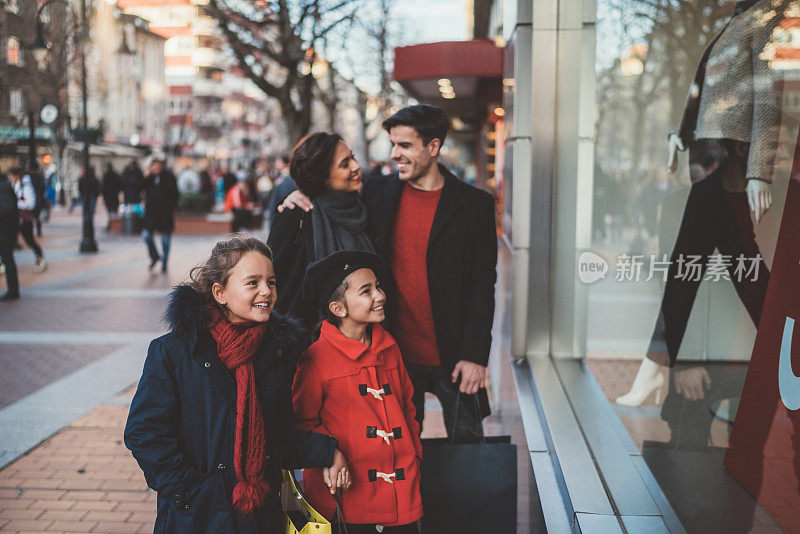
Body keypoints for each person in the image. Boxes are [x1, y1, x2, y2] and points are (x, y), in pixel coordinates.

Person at [280, 105, 498, 442]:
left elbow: (483, 285)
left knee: (470, 454)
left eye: (405, 146)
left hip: (454, 356)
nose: (395, 154)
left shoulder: (475, 205)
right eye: (393, 145)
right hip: (390, 353)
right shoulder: (378, 192)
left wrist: (475, 356)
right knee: (397, 450)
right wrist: (295, 195)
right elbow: (329, 195)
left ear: (433, 147)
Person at [124, 236, 350, 534]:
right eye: (252, 282)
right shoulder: (174, 352)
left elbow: (275, 438)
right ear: (220, 292)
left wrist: (327, 451)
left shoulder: (277, 351)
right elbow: (145, 433)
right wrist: (190, 493)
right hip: (195, 518)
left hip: (259, 517)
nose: (266, 292)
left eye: (271, 282)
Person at [293, 250, 422, 533]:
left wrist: (414, 453)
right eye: (366, 291)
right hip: (347, 501)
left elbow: (407, 407)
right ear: (339, 309)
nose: (380, 295)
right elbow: (303, 425)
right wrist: (328, 455)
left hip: (402, 493)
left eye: (378, 286)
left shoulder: (390, 348)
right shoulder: (315, 359)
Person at [267, 133, 373, 326]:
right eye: (344, 164)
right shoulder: (295, 214)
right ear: (322, 177)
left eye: (353, 157)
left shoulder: (364, 210)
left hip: (365, 334)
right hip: (311, 338)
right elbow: (272, 278)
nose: (356, 166)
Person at [141, 157, 179, 273]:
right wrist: (146, 177)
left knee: (165, 240)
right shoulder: (150, 178)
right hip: (151, 213)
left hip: (165, 214)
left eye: (157, 165)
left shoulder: (168, 176)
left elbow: (175, 193)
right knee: (146, 235)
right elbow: (141, 188)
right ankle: (154, 256)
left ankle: (164, 263)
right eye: (153, 165)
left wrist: (170, 207)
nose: (155, 167)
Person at [9, 168, 47, 273]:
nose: (10, 178)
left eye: (11, 176)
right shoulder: (13, 186)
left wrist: (17, 204)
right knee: (9, 241)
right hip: (15, 219)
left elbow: (30, 204)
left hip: (25, 219)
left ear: (17, 176)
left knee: (29, 240)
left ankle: (40, 258)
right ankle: (4, 262)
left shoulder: (26, 186)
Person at [0, 170, 20, 300]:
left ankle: (13, 290)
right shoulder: (5, 185)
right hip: (6, 231)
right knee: (8, 259)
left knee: (8, 259)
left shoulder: (3, 187)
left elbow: (7, 209)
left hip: (5, 231)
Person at [268, 154, 296, 223]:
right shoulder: (281, 177)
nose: (276, 163)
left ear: (284, 163)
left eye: (278, 161)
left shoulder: (288, 179)